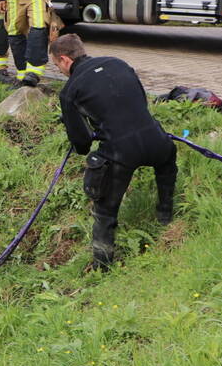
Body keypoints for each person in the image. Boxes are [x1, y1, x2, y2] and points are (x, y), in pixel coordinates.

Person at [50, 34, 177, 272]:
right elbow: (141, 101)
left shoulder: (70, 91)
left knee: (105, 210)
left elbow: (81, 144)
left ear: (65, 60)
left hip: (121, 152)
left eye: (57, 66)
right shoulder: (118, 63)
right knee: (167, 164)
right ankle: (165, 220)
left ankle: (102, 266)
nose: (60, 71)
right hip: (156, 141)